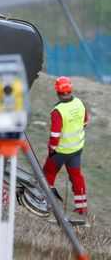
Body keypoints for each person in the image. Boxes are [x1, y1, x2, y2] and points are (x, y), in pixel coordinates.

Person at [42, 76, 89, 215]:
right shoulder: (79, 103)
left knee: (48, 173)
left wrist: (51, 149)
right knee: (76, 177)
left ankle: (48, 202)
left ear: (57, 91)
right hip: (76, 150)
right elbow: (85, 122)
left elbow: (55, 135)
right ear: (70, 89)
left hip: (60, 152)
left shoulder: (58, 110)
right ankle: (82, 207)